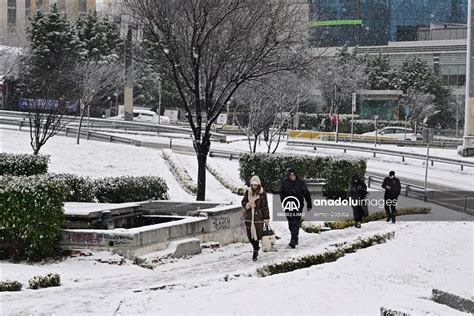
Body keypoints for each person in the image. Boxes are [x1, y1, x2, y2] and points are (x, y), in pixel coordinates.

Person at [279, 168, 312, 248]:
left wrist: (309, 205)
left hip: (298, 206)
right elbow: (281, 193)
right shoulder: (286, 182)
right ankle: (294, 237)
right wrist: (284, 202)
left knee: (296, 222)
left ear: (296, 175)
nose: (292, 176)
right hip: (288, 205)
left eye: (293, 175)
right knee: (290, 223)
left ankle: (294, 239)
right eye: (290, 175)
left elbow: (306, 194)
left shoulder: (301, 183)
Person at [241, 175, 270, 261]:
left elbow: (265, 206)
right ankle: (256, 247)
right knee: (250, 236)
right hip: (249, 218)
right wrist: (249, 204)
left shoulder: (262, 193)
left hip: (258, 218)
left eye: (255, 185)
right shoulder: (248, 192)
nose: (253, 186)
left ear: (258, 185)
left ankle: (255, 252)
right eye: (252, 184)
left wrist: (266, 218)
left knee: (257, 236)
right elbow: (243, 202)